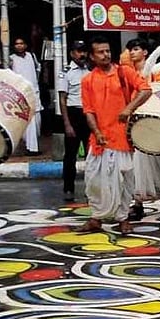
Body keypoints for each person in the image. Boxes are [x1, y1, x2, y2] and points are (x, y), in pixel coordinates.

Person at [79, 35, 151, 234]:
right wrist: (96, 132)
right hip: (99, 140)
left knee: (123, 182)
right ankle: (96, 218)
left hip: (121, 138)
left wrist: (129, 108)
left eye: (108, 51)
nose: (106, 55)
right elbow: (89, 111)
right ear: (92, 57)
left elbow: (146, 90)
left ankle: (123, 219)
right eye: (100, 52)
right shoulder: (88, 80)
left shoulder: (124, 72)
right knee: (95, 182)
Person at [131, 58, 160, 221]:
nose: (133, 53)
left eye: (137, 49)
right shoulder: (129, 74)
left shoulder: (157, 74)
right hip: (139, 129)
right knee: (138, 169)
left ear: (144, 53)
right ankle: (138, 204)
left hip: (159, 129)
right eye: (131, 50)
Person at [58, 40, 90, 202]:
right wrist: (67, 124)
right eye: (78, 51)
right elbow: (62, 99)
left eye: (84, 51)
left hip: (89, 115)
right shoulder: (66, 72)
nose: (82, 54)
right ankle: (69, 188)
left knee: (92, 155)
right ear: (72, 53)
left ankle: (91, 188)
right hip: (73, 115)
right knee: (70, 155)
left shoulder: (91, 70)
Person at [9, 36, 42, 155]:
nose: (19, 46)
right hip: (21, 94)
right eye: (17, 44)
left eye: (21, 43)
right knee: (30, 121)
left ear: (25, 45)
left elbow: (38, 69)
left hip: (35, 92)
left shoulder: (31, 56)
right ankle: (32, 148)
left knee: (37, 121)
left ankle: (31, 144)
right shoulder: (11, 59)